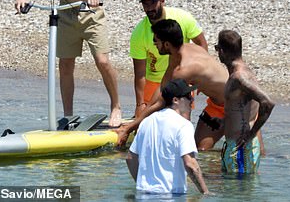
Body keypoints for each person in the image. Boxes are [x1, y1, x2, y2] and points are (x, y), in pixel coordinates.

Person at [14, 0, 121, 127]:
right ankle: (68, 116)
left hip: (90, 11)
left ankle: (116, 107)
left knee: (102, 61)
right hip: (65, 13)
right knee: (65, 65)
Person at [117, 19, 228, 149]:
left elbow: (161, 102)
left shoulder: (184, 69)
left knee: (245, 152)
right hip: (216, 105)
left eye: (156, 41)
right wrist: (139, 118)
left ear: (167, 44)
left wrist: (129, 129)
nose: (154, 44)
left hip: (237, 105)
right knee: (200, 149)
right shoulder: (181, 51)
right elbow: (162, 88)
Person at [130, 0, 208, 118]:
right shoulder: (139, 34)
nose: (149, 8)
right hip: (153, 80)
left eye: (153, 3)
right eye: (145, 4)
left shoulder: (183, 18)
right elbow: (140, 74)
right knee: (148, 120)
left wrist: (198, 74)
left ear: (162, 1)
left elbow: (202, 44)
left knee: (181, 119)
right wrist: (140, 105)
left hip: (181, 77)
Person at [126, 78, 209, 194]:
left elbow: (130, 158)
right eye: (188, 96)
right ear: (175, 100)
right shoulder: (184, 125)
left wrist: (141, 182)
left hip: (143, 193)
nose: (192, 99)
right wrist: (205, 193)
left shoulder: (146, 122)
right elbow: (190, 164)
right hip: (170, 195)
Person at [216, 30, 274, 173]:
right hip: (235, 146)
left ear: (222, 51)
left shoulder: (240, 77)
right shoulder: (239, 74)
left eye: (217, 49)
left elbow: (267, 102)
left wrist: (252, 133)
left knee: (239, 192)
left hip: (240, 148)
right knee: (234, 192)